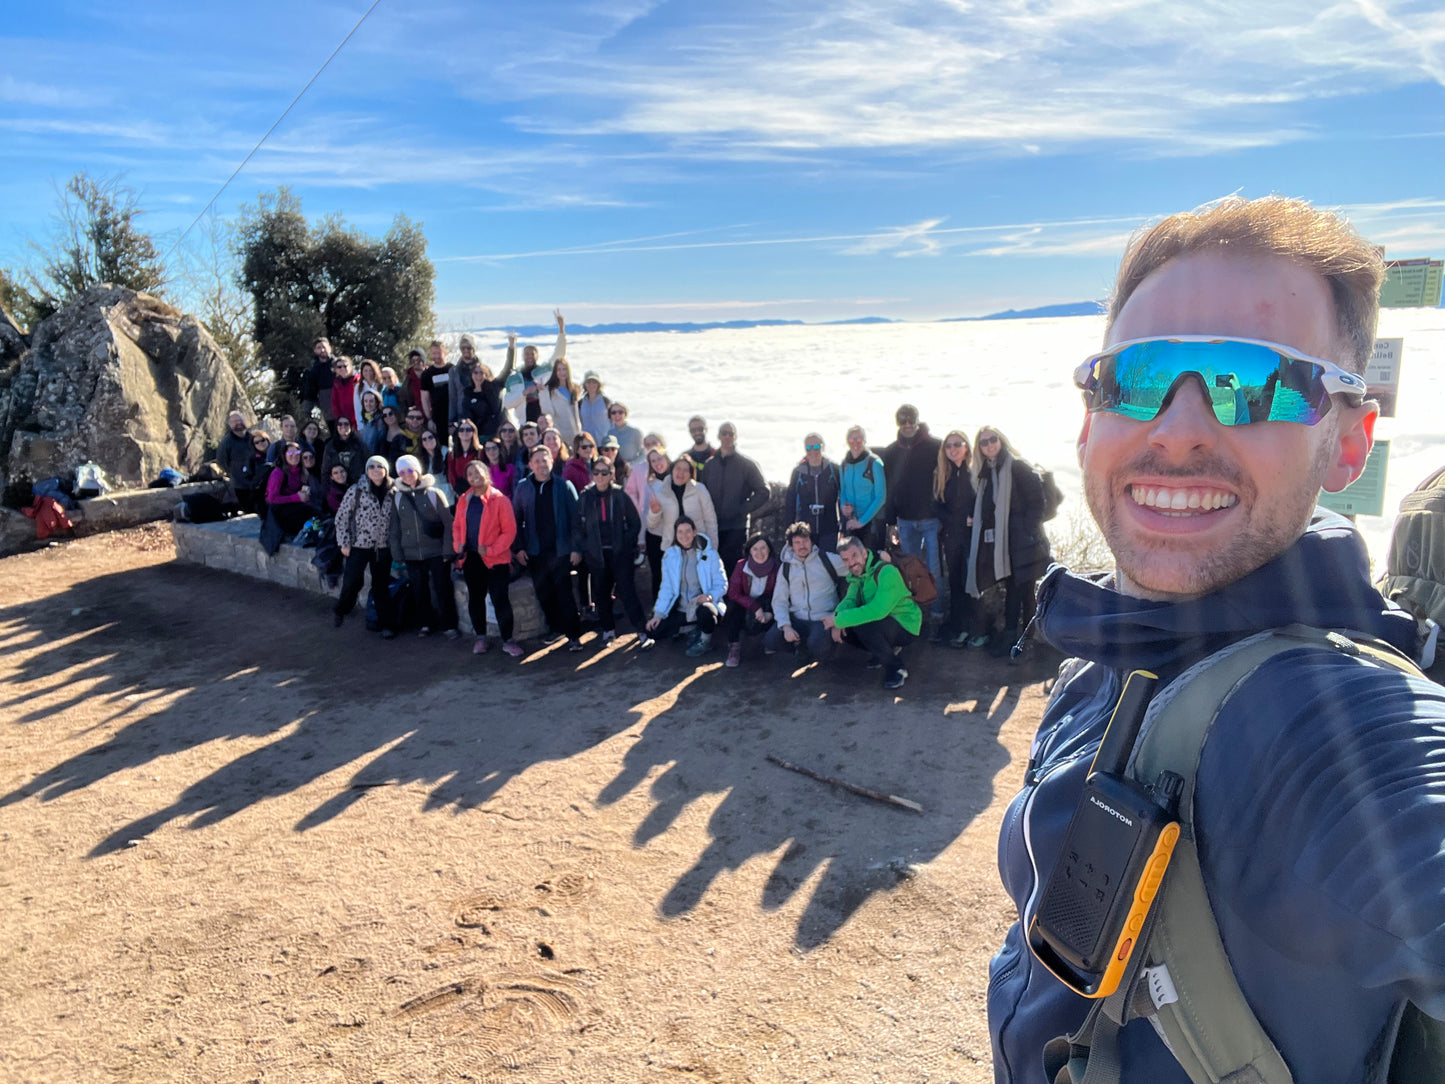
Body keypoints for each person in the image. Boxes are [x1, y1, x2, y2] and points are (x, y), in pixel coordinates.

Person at [988, 196, 1445, 1084]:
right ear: (1089, 419)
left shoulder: (1336, 728)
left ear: (1348, 443)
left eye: (1257, 382)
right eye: (1138, 378)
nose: (1180, 428)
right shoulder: (1102, 659)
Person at [964, 425, 1051, 659]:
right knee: (1013, 588)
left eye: (993, 439)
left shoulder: (1017, 466)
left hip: (1024, 540)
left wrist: (1029, 530)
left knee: (1025, 592)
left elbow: (1037, 500)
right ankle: (1012, 637)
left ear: (1001, 440)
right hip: (1005, 542)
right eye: (984, 442)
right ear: (979, 448)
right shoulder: (987, 471)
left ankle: (1025, 640)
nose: (990, 444)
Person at [824, 535, 921, 690]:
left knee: (863, 625)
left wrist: (839, 620)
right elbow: (849, 601)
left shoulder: (887, 571)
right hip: (884, 624)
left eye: (854, 555)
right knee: (848, 628)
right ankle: (882, 652)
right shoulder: (858, 576)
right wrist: (837, 618)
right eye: (845, 560)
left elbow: (877, 611)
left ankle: (896, 668)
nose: (851, 562)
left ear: (864, 553)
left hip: (906, 625)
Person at [511, 444, 584, 651]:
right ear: (530, 465)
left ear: (552, 462)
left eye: (545, 460)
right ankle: (555, 628)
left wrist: (576, 548)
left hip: (560, 551)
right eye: (537, 461)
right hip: (535, 552)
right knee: (543, 593)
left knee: (565, 594)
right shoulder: (523, 488)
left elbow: (576, 520)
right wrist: (519, 548)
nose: (541, 464)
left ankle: (573, 636)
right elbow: (516, 519)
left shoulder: (564, 486)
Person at [572, 454, 650, 646]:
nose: (600, 476)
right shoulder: (585, 497)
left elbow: (634, 523)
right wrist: (585, 547)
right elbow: (576, 527)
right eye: (596, 472)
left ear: (612, 474)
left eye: (604, 472)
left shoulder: (620, 495)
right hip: (597, 555)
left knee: (628, 592)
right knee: (601, 594)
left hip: (619, 554)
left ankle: (642, 631)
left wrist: (624, 543)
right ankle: (608, 631)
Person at [451, 459, 522, 657]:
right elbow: (457, 526)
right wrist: (458, 545)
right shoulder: (464, 500)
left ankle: (508, 640)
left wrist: (491, 550)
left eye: (477, 472)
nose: (474, 476)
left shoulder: (500, 500)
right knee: (475, 599)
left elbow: (509, 531)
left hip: (496, 560)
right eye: (470, 474)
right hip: (471, 558)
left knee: (500, 599)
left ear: (486, 473)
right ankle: (480, 638)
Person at [883, 404, 944, 624]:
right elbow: (889, 488)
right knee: (909, 571)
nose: (908, 425)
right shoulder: (891, 452)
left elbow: (946, 480)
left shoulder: (936, 446)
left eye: (911, 420)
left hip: (931, 519)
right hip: (905, 521)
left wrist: (943, 514)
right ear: (897, 422)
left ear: (917, 421)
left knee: (934, 570)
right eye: (903, 421)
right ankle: (915, 616)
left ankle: (937, 615)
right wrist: (891, 522)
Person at [389, 454, 458, 639]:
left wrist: (448, 550)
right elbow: (394, 528)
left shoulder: (434, 494)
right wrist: (397, 553)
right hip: (411, 553)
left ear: (417, 471)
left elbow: (448, 523)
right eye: (402, 472)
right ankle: (426, 623)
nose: (407, 475)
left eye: (410, 470)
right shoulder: (397, 498)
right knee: (419, 590)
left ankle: (449, 625)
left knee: (442, 588)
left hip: (435, 551)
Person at [763, 522, 849, 661]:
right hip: (797, 617)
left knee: (818, 648)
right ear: (791, 545)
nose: (802, 546)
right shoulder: (786, 567)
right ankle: (800, 646)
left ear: (811, 541)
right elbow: (779, 600)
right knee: (771, 640)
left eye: (805, 541)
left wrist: (878, 556)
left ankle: (822, 647)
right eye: (797, 542)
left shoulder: (826, 559)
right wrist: (786, 626)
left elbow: (854, 563)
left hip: (823, 618)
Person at [643, 516, 727, 657]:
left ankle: (705, 641)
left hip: (703, 604)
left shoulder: (710, 553)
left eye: (688, 531)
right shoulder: (670, 556)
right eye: (680, 532)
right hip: (682, 608)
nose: (684, 536)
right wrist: (658, 614)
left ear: (694, 532)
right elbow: (667, 588)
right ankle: (692, 628)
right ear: (676, 534)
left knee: (706, 613)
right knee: (653, 630)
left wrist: (710, 596)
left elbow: (722, 582)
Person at [333, 455, 397, 638]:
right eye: (372, 467)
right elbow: (342, 518)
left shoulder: (394, 492)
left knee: (381, 586)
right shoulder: (356, 490)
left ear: (386, 470)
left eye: (380, 466)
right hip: (359, 545)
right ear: (367, 470)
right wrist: (344, 542)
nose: (376, 470)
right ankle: (341, 609)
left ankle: (387, 624)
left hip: (382, 546)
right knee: (352, 581)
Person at [701, 421, 770, 573]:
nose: (727, 436)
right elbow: (701, 493)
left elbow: (764, 491)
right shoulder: (709, 465)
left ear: (735, 437)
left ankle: (734, 598)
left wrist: (743, 509)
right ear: (718, 436)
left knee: (735, 571)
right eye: (724, 433)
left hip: (736, 527)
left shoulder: (747, 464)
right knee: (713, 570)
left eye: (730, 433)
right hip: (713, 526)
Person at [933, 430, 977, 647]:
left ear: (966, 446)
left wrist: (974, 518)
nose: (953, 449)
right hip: (952, 537)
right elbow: (937, 505)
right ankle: (957, 626)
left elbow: (985, 502)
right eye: (948, 446)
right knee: (956, 582)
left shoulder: (976, 472)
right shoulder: (943, 473)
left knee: (971, 582)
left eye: (957, 444)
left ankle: (972, 628)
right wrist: (955, 521)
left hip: (972, 537)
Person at [720, 534, 779, 668]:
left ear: (769, 549)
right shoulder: (741, 566)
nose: (759, 553)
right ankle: (734, 648)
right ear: (749, 551)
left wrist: (770, 612)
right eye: (755, 549)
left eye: (763, 548)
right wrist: (754, 606)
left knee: (772, 604)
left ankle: (768, 641)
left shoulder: (776, 568)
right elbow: (733, 593)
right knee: (732, 608)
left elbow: (778, 594)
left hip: (766, 605)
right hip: (745, 605)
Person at [502, 311, 567, 425]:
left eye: (532, 354)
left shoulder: (545, 370)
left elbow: (559, 354)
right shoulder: (514, 378)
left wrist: (561, 330)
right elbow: (507, 403)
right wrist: (524, 393)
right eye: (527, 354)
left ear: (537, 355)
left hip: (546, 420)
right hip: (525, 422)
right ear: (523, 356)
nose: (529, 356)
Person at [648, 456, 719, 554]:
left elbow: (710, 521)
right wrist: (655, 513)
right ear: (672, 470)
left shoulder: (699, 490)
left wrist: (712, 549)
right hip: (672, 549)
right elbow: (652, 525)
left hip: (698, 547)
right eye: (678, 468)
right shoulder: (660, 492)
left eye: (686, 470)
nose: (681, 473)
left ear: (690, 474)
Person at [786, 433, 842, 553]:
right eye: (808, 448)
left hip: (829, 527)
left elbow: (844, 496)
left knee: (828, 563)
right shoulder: (798, 472)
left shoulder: (834, 470)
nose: (813, 451)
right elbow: (790, 501)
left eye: (816, 447)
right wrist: (790, 531)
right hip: (805, 529)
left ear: (823, 447)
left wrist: (845, 527)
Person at [840, 425, 888, 551]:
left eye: (859, 439)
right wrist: (844, 508)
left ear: (865, 441)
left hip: (872, 524)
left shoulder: (875, 463)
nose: (855, 443)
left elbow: (881, 497)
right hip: (851, 522)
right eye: (851, 440)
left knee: (872, 564)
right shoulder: (844, 464)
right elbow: (843, 491)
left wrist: (862, 521)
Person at [260, 442, 313, 554]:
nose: (294, 455)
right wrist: (296, 497)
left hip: (294, 506)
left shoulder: (301, 471)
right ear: (284, 455)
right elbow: (272, 499)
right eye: (290, 452)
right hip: (279, 511)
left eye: (297, 452)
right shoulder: (278, 473)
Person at [456, 344, 509, 439]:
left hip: (498, 434)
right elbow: (467, 417)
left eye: (481, 373)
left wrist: (511, 348)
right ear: (471, 375)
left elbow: (507, 369)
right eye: (475, 373)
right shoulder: (468, 394)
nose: (478, 375)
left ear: (486, 374)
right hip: (479, 436)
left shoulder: (495, 387)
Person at [215, 410, 254, 505]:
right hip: (239, 485)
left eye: (240, 420)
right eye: (235, 421)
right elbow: (221, 462)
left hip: (255, 482)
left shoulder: (253, 437)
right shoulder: (226, 442)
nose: (238, 423)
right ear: (230, 424)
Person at [541, 358, 584, 443]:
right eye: (559, 370)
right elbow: (547, 411)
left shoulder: (574, 389)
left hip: (574, 432)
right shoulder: (549, 390)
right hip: (559, 432)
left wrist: (579, 431)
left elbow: (576, 415)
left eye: (564, 369)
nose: (562, 372)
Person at [419, 340, 454, 435]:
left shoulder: (453, 370)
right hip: (437, 417)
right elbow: (424, 398)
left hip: (453, 417)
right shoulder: (427, 374)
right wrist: (429, 419)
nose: (437, 356)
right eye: (434, 353)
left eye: (439, 353)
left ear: (445, 352)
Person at [321, 415, 368, 485]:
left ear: (351, 426)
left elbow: (368, 463)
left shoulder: (360, 444)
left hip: (358, 484)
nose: (343, 426)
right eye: (340, 424)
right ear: (336, 427)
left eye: (346, 424)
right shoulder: (330, 446)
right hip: (338, 487)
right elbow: (325, 470)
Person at [301, 337, 336, 423]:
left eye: (324, 347)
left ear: (330, 348)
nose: (322, 350)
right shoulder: (313, 370)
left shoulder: (339, 364)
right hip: (327, 406)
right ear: (315, 351)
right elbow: (310, 392)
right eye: (319, 348)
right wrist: (306, 412)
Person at [237, 429, 272, 516]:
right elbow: (247, 478)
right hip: (261, 493)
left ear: (267, 440)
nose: (260, 443)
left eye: (262, 440)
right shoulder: (252, 459)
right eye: (257, 442)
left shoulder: (276, 453)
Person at [448, 422, 484, 494]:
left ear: (473, 432)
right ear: (458, 433)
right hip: (460, 489)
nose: (465, 432)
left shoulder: (480, 451)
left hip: (477, 488)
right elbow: (451, 474)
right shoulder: (452, 454)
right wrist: (456, 489)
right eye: (461, 430)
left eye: (468, 429)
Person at [606, 401, 644, 467]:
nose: (617, 415)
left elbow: (644, 454)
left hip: (632, 470)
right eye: (613, 413)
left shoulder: (635, 432)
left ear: (625, 414)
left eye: (620, 412)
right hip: (615, 470)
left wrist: (630, 465)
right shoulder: (610, 433)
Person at [578, 370, 610, 441]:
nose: (591, 385)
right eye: (588, 382)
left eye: (594, 382)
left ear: (598, 385)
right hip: (587, 443)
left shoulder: (606, 402)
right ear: (585, 385)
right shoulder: (580, 403)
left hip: (604, 442)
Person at [418, 428, 449, 498]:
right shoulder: (420, 459)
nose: (428, 440)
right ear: (422, 444)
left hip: (446, 492)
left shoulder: (446, 452)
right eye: (424, 439)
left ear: (436, 439)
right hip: (430, 493)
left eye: (430, 437)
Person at [330, 356, 360, 427]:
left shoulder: (358, 380)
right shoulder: (336, 383)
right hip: (344, 422)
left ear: (350, 366)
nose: (343, 368)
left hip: (358, 420)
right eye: (339, 367)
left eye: (345, 366)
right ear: (336, 370)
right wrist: (340, 420)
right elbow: (334, 403)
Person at [356, 390, 386, 454]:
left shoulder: (380, 421)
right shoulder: (366, 418)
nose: (368, 404)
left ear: (377, 403)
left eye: (371, 401)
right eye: (365, 401)